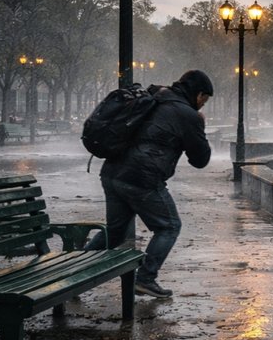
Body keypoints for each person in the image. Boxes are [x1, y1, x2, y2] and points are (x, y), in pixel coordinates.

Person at [86, 70, 213, 298]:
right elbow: (200, 160)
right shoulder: (188, 114)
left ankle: (75, 269)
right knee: (169, 227)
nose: (204, 104)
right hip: (141, 178)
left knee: (115, 231)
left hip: (112, 173)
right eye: (205, 99)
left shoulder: (154, 95)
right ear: (198, 93)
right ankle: (145, 278)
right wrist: (200, 125)